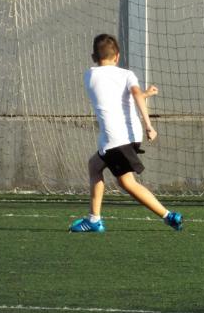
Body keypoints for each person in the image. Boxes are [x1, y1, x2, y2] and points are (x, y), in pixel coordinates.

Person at [70, 34, 183, 232]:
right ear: (117, 56)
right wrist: (148, 124)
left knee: (127, 183)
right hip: (131, 135)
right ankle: (94, 219)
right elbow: (133, 95)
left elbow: (114, 96)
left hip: (115, 140)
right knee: (95, 166)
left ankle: (167, 216)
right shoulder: (127, 74)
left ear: (93, 57)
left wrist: (147, 118)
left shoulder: (90, 75)